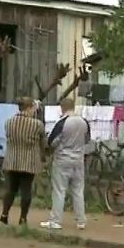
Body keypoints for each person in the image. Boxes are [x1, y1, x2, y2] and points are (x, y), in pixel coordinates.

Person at [40, 98, 90, 230]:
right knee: (78, 190)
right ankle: (81, 221)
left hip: (62, 160)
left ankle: (55, 221)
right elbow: (87, 140)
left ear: (62, 108)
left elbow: (52, 142)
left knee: (59, 190)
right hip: (79, 160)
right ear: (73, 106)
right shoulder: (84, 122)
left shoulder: (62, 123)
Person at [0, 97, 46, 226]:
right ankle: (23, 218)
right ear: (30, 108)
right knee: (26, 190)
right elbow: (44, 143)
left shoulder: (9, 122)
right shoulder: (37, 125)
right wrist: (43, 156)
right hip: (29, 162)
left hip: (11, 160)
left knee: (10, 190)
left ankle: (4, 215)